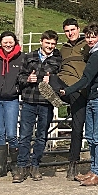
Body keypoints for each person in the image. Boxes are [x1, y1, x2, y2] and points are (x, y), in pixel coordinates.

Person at [40, 19, 98, 180]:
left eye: (73, 30)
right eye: (67, 31)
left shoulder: (88, 46)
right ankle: (57, 99)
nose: (70, 33)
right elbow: (51, 62)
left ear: (78, 29)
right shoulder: (63, 50)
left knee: (78, 127)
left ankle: (73, 163)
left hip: (81, 88)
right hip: (66, 84)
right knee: (50, 79)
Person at [60, 24, 98, 186]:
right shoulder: (93, 52)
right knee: (91, 136)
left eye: (93, 36)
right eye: (88, 37)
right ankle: (94, 169)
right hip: (93, 96)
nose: (90, 39)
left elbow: (86, 77)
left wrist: (67, 90)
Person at [15, 30, 62, 183]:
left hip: (46, 102)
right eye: (47, 43)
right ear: (41, 41)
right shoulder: (29, 57)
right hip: (29, 100)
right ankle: (21, 167)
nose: (50, 46)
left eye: (53, 44)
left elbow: (61, 79)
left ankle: (35, 166)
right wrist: (28, 78)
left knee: (42, 136)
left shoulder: (57, 58)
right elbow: (19, 77)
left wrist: (52, 79)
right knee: (25, 135)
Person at [0, 31, 25, 180]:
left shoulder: (22, 58)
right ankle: (1, 166)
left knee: (11, 133)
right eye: (5, 42)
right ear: (0, 42)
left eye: (10, 42)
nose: (8, 45)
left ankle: (14, 164)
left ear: (15, 42)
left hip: (11, 99)